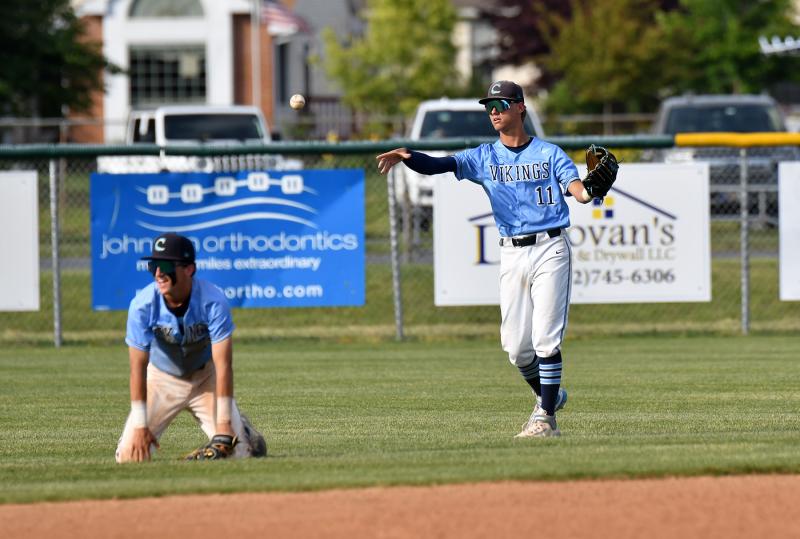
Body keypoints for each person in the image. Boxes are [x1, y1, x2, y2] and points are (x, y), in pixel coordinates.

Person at [377, 81, 600, 438]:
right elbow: (441, 164)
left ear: (520, 107)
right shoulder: (484, 157)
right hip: (511, 250)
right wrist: (409, 155)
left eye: (501, 104)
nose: (493, 111)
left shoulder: (549, 153)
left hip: (550, 248)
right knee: (516, 348)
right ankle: (551, 395)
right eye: (489, 106)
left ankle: (545, 418)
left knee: (545, 339)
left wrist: (590, 189)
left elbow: (580, 193)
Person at [115, 232, 267, 462]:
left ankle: (243, 431)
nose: (158, 273)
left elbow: (224, 365)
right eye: (153, 266)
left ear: (189, 269)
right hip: (162, 380)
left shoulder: (213, 301)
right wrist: (139, 425)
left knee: (237, 453)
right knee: (129, 457)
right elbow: (137, 368)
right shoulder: (142, 306)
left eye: (166, 266)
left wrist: (224, 424)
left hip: (205, 378)